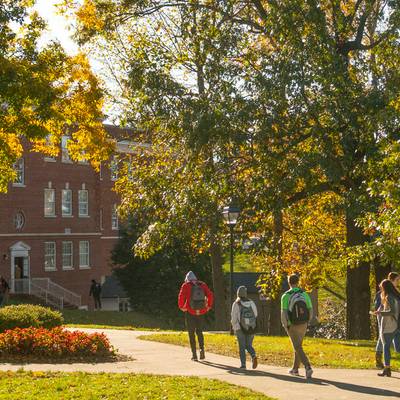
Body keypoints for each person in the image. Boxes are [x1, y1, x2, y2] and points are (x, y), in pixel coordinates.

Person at [281, 274, 313, 379]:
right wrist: (307, 321)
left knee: (297, 347)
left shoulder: (286, 295)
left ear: (289, 282)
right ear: (298, 282)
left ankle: (308, 367)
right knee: (298, 346)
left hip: (292, 324)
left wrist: (285, 325)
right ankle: (295, 369)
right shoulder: (304, 294)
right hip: (303, 323)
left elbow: (284, 312)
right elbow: (310, 309)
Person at [178, 271, 214, 361]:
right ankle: (202, 349)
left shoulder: (186, 285)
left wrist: (182, 307)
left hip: (190, 312)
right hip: (201, 312)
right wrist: (209, 306)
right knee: (199, 331)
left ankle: (194, 355)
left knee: (191, 333)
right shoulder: (202, 285)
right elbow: (210, 295)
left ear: (187, 279)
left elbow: (181, 296)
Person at [373, 279, 400, 377]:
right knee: (398, 348)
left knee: (386, 347)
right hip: (396, 326)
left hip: (389, 326)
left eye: (381, 287)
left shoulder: (389, 297)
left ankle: (387, 369)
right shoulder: (396, 296)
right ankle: (386, 369)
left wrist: (380, 313)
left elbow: (391, 312)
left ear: (385, 288)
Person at [231, 285, 258, 369]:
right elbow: (256, 314)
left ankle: (243, 365)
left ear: (238, 294)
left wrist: (234, 327)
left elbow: (234, 317)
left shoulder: (236, 303)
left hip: (240, 327)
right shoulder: (251, 302)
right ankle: (253, 355)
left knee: (242, 346)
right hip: (251, 327)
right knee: (248, 345)